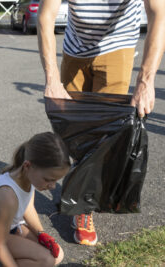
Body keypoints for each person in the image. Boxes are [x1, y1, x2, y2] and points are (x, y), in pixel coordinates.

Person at [37, 0, 165, 246]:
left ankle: (83, 205)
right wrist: (52, 79)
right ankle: (75, 184)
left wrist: (146, 81)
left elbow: (158, 12)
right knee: (72, 130)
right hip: (75, 49)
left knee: (103, 136)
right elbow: (46, 15)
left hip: (117, 46)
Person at [0, 132, 71, 266]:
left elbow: (28, 208)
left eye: (56, 181)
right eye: (48, 180)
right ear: (27, 166)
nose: (52, 186)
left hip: (10, 227)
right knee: (45, 260)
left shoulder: (28, 177)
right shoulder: (8, 196)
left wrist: (41, 234)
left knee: (57, 255)